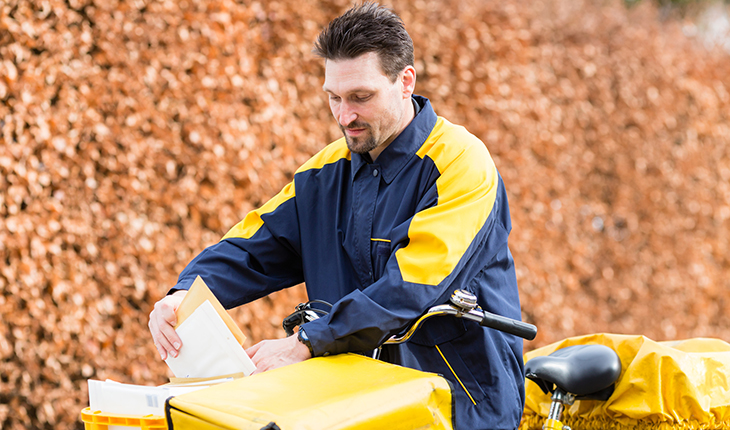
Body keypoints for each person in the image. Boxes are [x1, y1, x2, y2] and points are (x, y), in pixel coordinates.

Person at [148, 2, 525, 429]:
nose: (346, 116)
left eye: (361, 98)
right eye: (334, 98)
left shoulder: (460, 163)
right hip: (357, 402)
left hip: (459, 403)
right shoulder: (323, 173)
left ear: (405, 82)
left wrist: (305, 342)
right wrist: (185, 294)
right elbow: (255, 245)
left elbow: (410, 288)